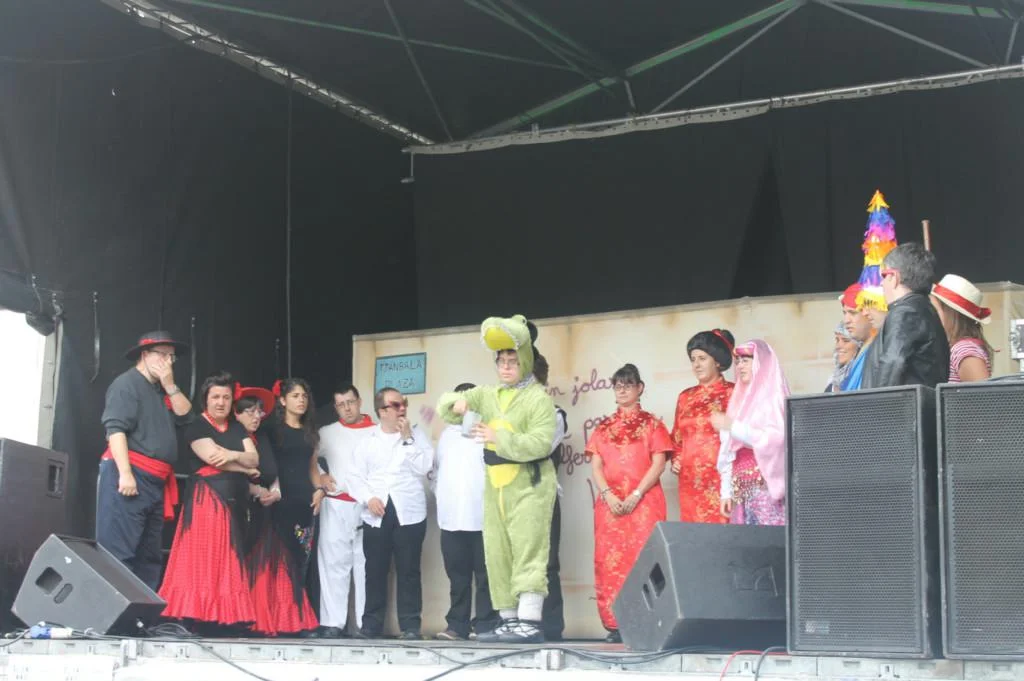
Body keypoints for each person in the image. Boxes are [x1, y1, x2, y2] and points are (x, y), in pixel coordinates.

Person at [437, 314, 557, 644]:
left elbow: (541, 442)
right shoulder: (489, 394)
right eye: (501, 361)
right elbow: (445, 404)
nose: (506, 367)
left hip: (530, 485)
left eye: (512, 361)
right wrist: (457, 403)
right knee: (498, 553)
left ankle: (530, 621)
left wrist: (497, 437)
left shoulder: (538, 398)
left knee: (528, 551)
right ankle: (509, 619)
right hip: (496, 488)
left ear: (525, 362)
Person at [159, 371, 260, 633]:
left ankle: (222, 618)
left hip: (234, 501)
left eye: (226, 397)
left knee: (228, 559)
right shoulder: (197, 426)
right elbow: (213, 458)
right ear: (206, 399)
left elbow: (254, 458)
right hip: (207, 499)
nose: (221, 402)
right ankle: (194, 615)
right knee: (203, 557)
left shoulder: (236, 427)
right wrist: (245, 468)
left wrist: (232, 455)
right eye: (215, 397)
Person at [97, 330, 192, 591]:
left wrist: (170, 385)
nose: (168, 362)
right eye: (162, 355)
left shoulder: (161, 390)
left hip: (155, 480)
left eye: (172, 358)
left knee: (148, 554)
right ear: (145, 355)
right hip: (131, 472)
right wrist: (125, 474)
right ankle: (116, 611)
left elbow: (186, 416)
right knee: (119, 551)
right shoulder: (126, 384)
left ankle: (142, 611)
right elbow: (115, 430)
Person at [586, 364, 672, 643]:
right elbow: (596, 466)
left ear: (640, 388)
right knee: (610, 562)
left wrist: (636, 494)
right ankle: (615, 625)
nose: (622, 390)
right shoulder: (603, 427)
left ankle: (648, 622)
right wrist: (608, 494)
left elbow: (659, 463)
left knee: (644, 559)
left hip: (644, 503)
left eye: (628, 385)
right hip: (610, 506)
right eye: (618, 385)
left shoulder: (653, 424)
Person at [348, 388, 434, 640]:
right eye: (396, 405)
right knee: (375, 570)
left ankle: (410, 626)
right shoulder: (368, 441)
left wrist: (408, 439)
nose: (402, 408)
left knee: (409, 571)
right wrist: (369, 498)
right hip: (377, 511)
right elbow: (354, 477)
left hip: (410, 511)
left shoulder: (417, 435)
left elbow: (425, 467)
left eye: (404, 403)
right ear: (382, 411)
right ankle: (371, 625)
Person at [246, 379, 320, 637]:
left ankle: (294, 618)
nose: (301, 400)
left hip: (305, 501)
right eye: (295, 395)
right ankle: (276, 620)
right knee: (277, 560)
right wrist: (272, 490)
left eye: (304, 396)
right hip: (280, 499)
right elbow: (267, 466)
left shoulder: (310, 431)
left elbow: (312, 469)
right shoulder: (270, 429)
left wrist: (320, 489)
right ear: (282, 400)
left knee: (300, 561)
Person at [433, 383, 499, 641]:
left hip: (482, 516)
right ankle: (457, 626)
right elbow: (436, 472)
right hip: (451, 518)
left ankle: (485, 625)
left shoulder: (487, 432)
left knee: (486, 576)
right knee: (457, 577)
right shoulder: (447, 435)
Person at [316, 383, 375, 638]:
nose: (347, 408)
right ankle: (333, 622)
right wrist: (321, 475)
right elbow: (307, 457)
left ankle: (364, 623)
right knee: (333, 563)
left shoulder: (377, 432)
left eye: (350, 402)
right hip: (336, 502)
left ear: (359, 401)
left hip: (368, 506)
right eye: (340, 404)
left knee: (365, 565)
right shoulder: (327, 433)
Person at [714, 340, 790, 526]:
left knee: (768, 538)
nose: (740, 366)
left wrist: (733, 427)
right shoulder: (738, 399)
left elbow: (776, 439)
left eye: (746, 360)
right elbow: (729, 449)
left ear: (761, 362)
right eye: (738, 361)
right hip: (742, 490)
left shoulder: (773, 398)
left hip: (766, 491)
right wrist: (726, 492)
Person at [861, 243, 950, 389]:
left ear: (894, 277)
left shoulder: (906, 311)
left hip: (903, 403)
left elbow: (893, 362)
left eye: (883, 276)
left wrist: (878, 401)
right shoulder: (924, 309)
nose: (882, 284)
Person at [670, 329, 735, 523]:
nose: (696, 365)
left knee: (724, 533)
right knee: (694, 534)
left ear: (717, 361)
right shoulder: (685, 397)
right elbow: (677, 438)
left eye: (702, 358)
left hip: (722, 479)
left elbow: (744, 436)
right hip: (690, 480)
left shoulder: (734, 393)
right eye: (693, 359)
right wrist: (676, 459)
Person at [930, 274, 993, 382]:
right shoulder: (956, 349)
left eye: (935, 310)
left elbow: (983, 392)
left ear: (951, 314)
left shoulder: (964, 350)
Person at [542, 403, 568, 642]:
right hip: (511, 497)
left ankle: (550, 628)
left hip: (543, 495)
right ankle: (515, 621)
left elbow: (537, 449)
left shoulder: (554, 414)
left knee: (547, 563)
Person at [838, 284, 876, 391]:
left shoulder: (879, 350)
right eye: (844, 313)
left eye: (853, 313)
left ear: (869, 313)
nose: (846, 320)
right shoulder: (863, 349)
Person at [828, 322, 863, 393]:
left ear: (859, 345)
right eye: (837, 340)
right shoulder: (833, 381)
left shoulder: (864, 377)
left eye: (846, 340)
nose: (838, 346)